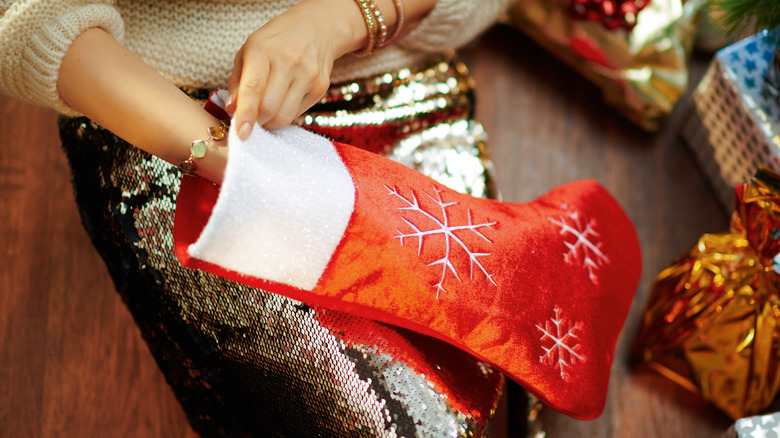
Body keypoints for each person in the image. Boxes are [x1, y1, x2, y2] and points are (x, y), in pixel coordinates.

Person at [0, 0, 512, 436]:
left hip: (393, 80)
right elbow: (27, 15)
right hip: (174, 118)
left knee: (498, 380)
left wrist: (343, 19)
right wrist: (233, 161)